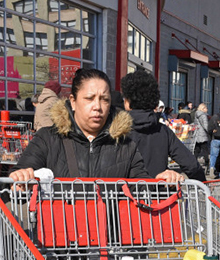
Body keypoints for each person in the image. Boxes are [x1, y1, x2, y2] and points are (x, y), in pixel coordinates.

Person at [10, 68, 172, 181]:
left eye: (104, 99)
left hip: (109, 222)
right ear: (73, 101)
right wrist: (21, 177)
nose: (97, 106)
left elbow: (141, 187)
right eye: (89, 98)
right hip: (61, 221)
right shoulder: (47, 138)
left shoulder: (125, 144)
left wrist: (162, 181)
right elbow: (16, 179)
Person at [119, 70, 203, 181]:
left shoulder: (118, 131)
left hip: (124, 190)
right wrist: (203, 184)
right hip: (158, 189)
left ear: (128, 101)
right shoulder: (163, 131)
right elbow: (190, 164)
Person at [193, 102, 211, 171]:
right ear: (203, 109)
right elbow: (205, 125)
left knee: (197, 150)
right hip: (203, 134)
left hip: (197, 134)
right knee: (205, 150)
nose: (207, 109)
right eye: (206, 108)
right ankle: (207, 163)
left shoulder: (196, 114)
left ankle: (193, 162)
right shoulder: (203, 115)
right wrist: (210, 132)